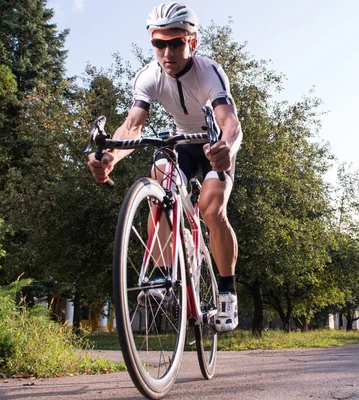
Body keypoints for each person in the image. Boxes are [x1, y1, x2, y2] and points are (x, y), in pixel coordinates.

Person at [87, 2, 242, 332]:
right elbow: (132, 126)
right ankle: (162, 273)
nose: (167, 51)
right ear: (152, 43)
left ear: (192, 42)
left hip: (213, 143)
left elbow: (230, 121)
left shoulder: (209, 72)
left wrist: (226, 149)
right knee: (158, 186)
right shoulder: (149, 77)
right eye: (159, 43)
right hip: (181, 143)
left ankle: (227, 294)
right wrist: (109, 157)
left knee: (212, 210)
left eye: (175, 42)